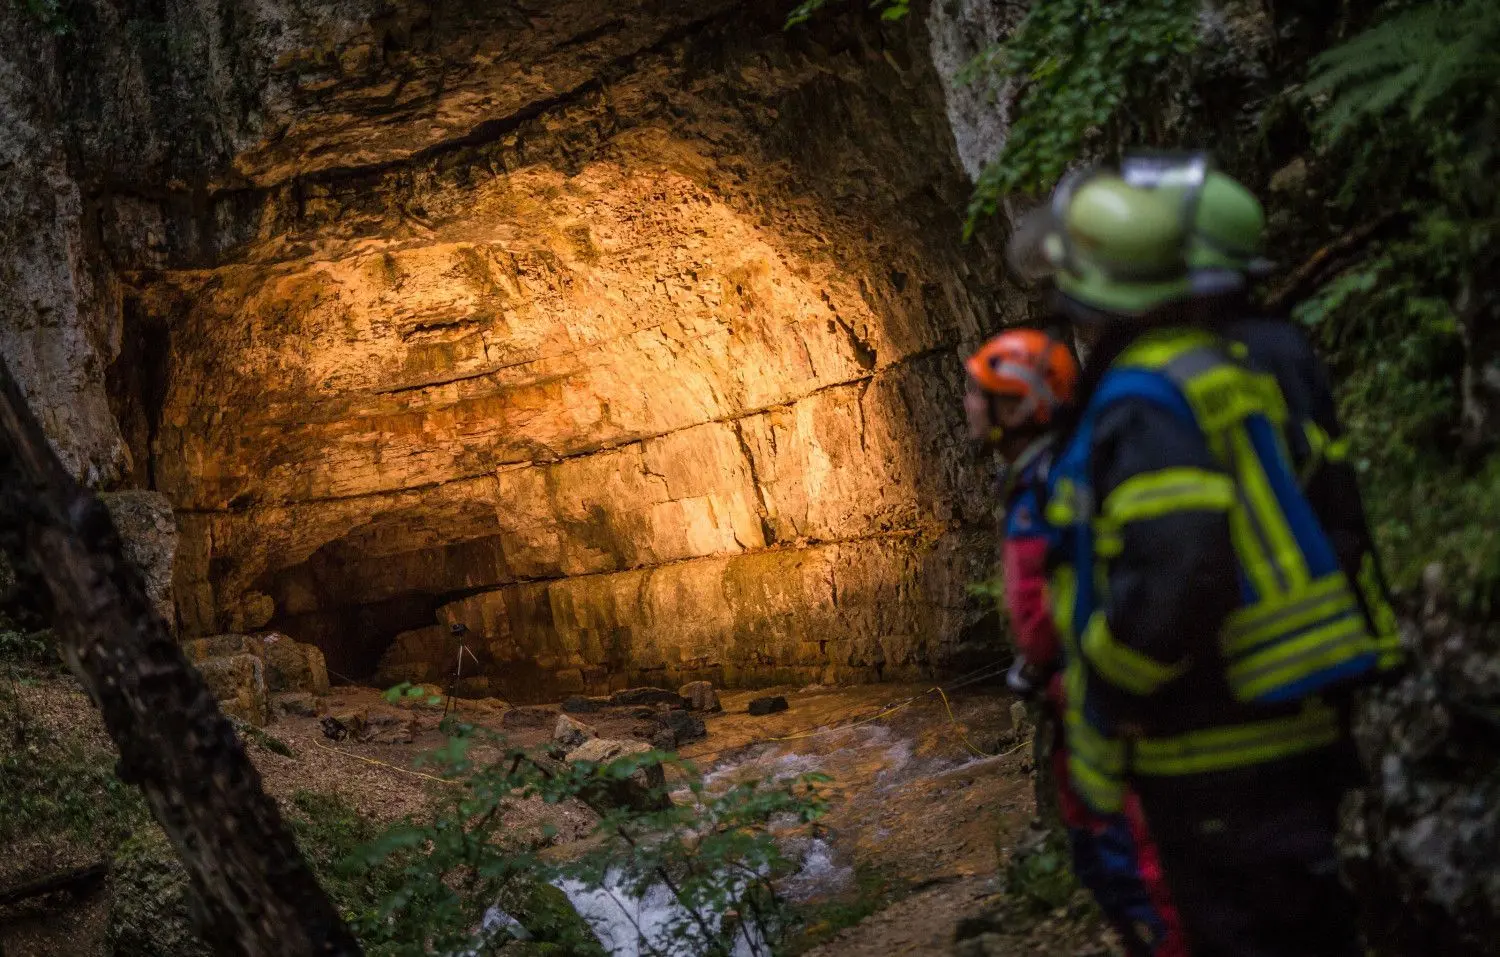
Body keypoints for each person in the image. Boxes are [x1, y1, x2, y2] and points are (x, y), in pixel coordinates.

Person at [1018, 169, 1383, 957]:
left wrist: (1115, 689)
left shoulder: (1146, 396)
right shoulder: (1226, 366)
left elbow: (1179, 562)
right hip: (1286, 714)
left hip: (1210, 740)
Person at [1120, 153, 1405, 674]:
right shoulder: (1282, 344)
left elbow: (1186, 545)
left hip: (1260, 652)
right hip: (1342, 618)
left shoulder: (1188, 368)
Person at [965, 330, 1186, 957]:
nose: (967, 404)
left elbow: (1042, 610)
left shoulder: (1041, 485)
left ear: (1016, 406)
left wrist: (1038, 664)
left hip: (1092, 692)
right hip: (1083, 690)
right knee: (1112, 858)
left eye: (978, 394)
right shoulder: (1049, 470)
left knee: (1134, 863)